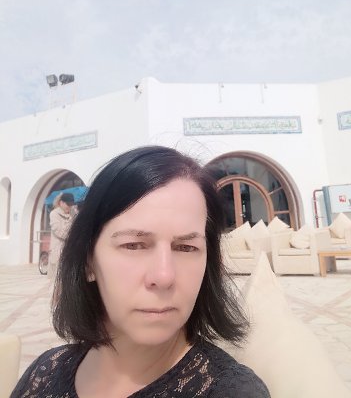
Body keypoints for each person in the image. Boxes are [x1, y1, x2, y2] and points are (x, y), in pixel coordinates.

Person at [12, 146, 270, 398]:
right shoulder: (45, 372)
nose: (164, 276)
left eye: (186, 247)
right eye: (134, 245)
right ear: (89, 261)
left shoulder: (233, 390)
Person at [48, 192, 76, 279]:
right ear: (61, 203)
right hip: (58, 253)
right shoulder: (54, 214)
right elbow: (59, 231)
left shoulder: (73, 213)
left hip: (70, 252)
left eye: (71, 204)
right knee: (57, 281)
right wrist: (74, 235)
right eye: (68, 204)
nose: (70, 206)